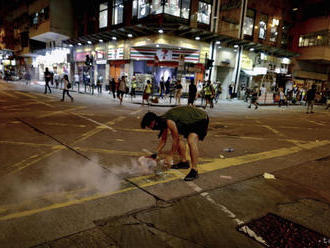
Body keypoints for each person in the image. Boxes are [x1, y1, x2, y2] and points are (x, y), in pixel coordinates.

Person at [141, 106, 209, 181]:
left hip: (200, 119)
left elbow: (175, 140)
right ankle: (184, 162)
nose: (151, 128)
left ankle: (194, 170)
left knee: (191, 140)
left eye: (149, 126)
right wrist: (155, 153)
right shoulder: (162, 121)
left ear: (153, 122)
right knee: (179, 138)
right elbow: (163, 140)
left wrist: (170, 156)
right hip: (189, 121)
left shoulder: (168, 121)